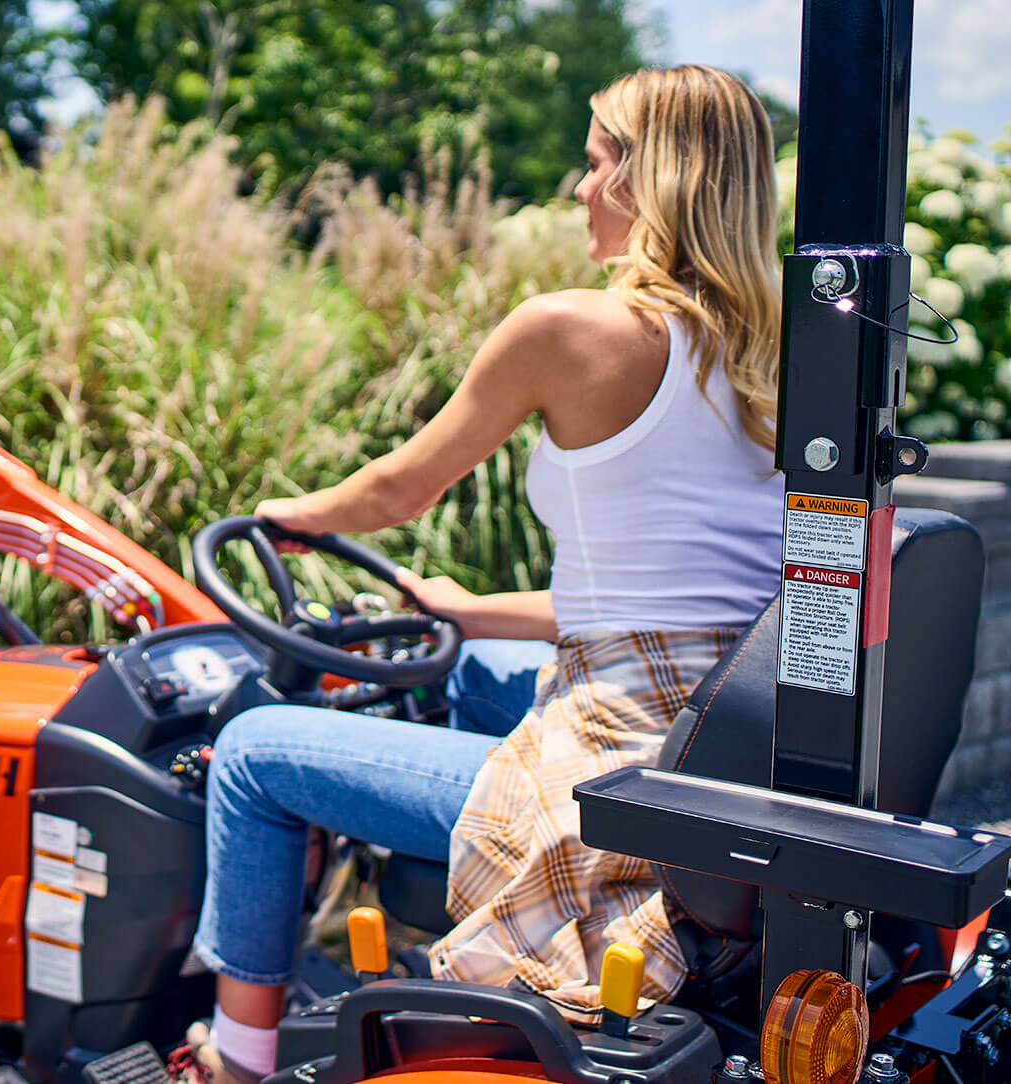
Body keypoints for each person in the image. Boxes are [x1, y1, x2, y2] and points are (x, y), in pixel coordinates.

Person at [182, 65, 786, 1084]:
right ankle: (428, 960)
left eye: (597, 164)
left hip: (612, 765)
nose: (577, 189)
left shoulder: (570, 330)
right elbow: (670, 603)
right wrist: (467, 609)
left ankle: (234, 1057)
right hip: (715, 737)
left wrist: (290, 517)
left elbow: (393, 492)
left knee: (248, 752)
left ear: (654, 182)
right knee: (465, 670)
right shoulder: (772, 357)